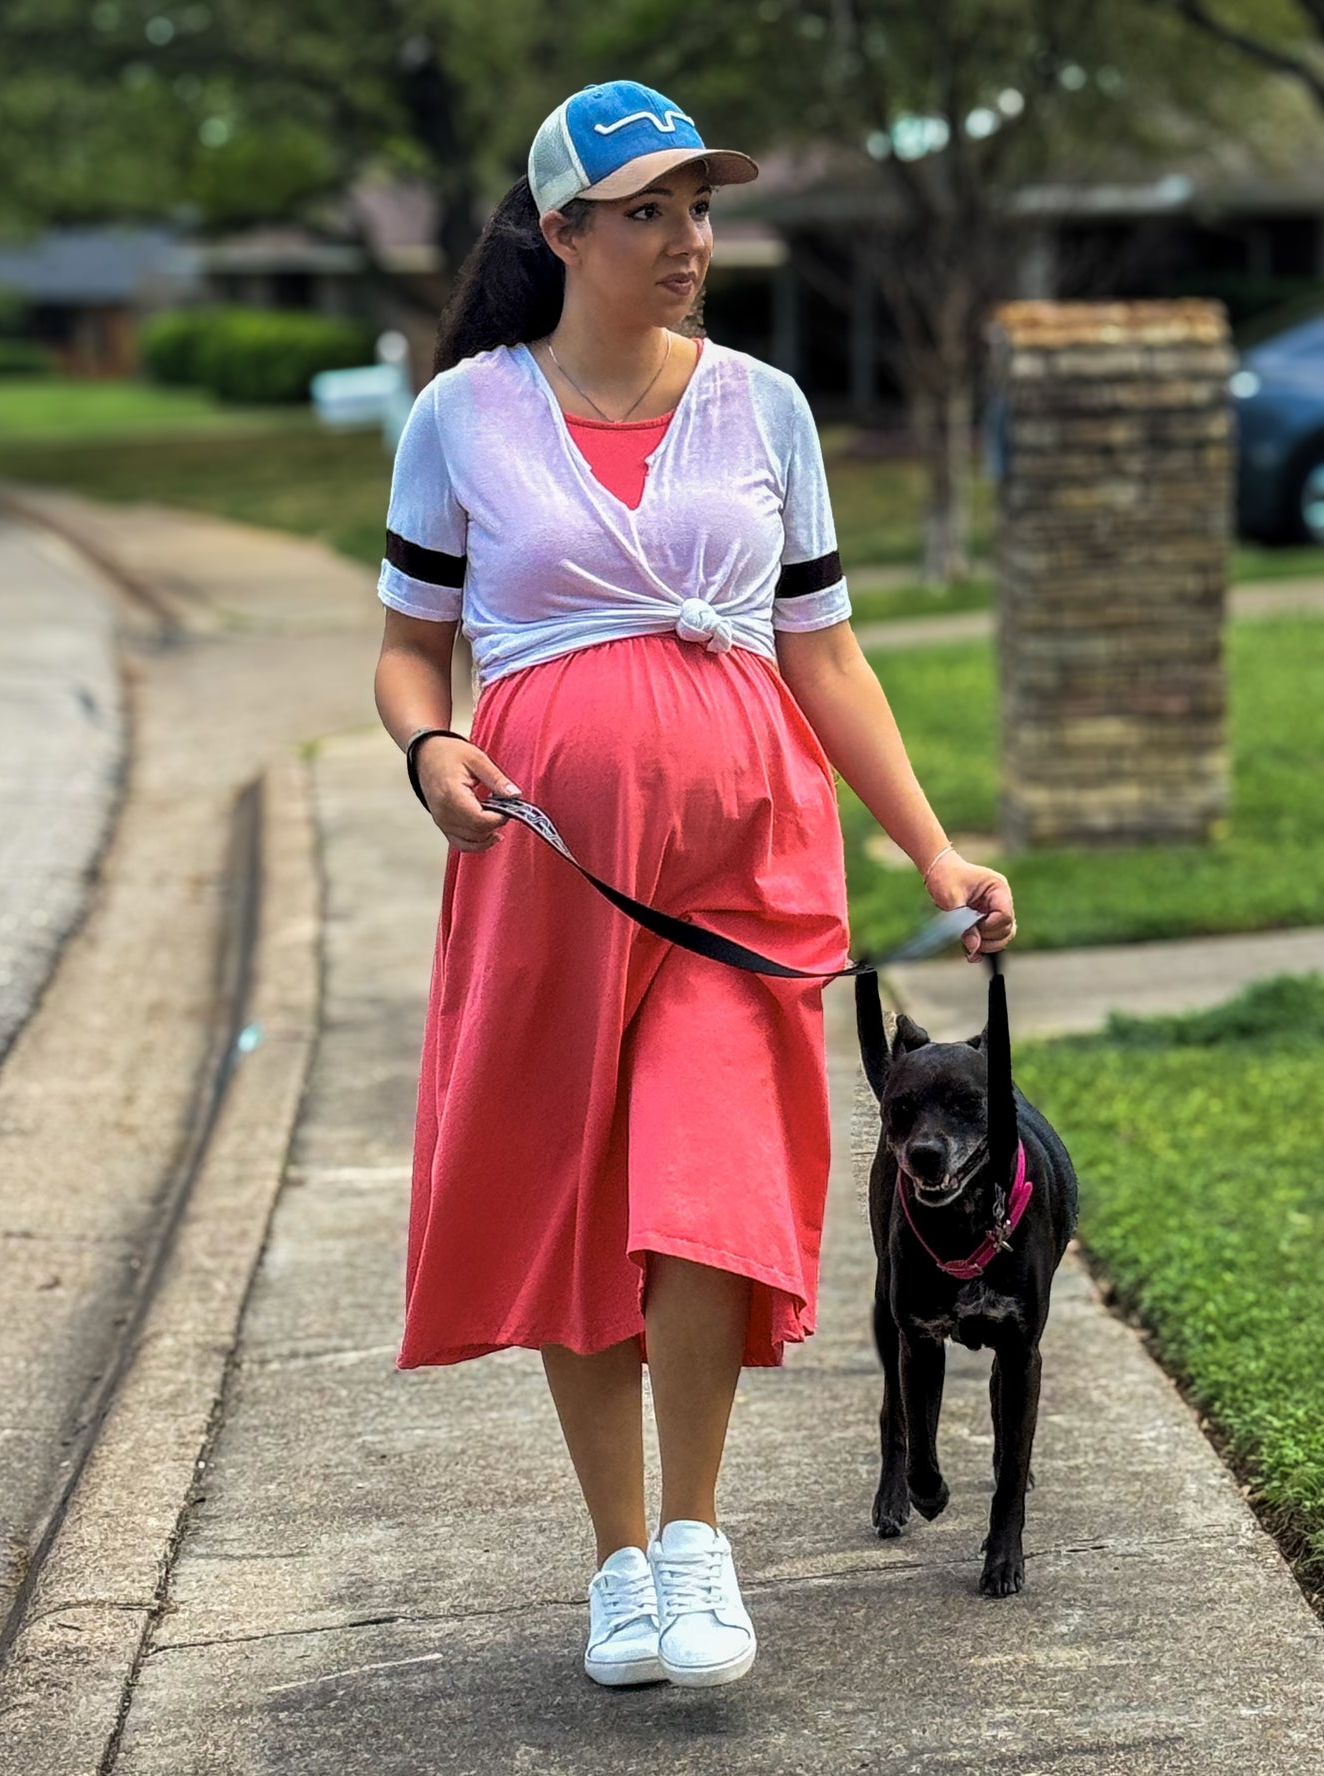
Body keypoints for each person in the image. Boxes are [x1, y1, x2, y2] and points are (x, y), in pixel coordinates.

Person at [371, 78, 1016, 1692]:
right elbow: (406, 648)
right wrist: (431, 746)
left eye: (699, 209)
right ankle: (615, 1567)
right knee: (576, 1192)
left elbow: (826, 652)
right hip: (552, 876)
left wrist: (931, 845)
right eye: (646, 212)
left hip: (745, 869)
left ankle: (695, 1541)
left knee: (705, 1182)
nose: (686, 240)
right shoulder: (460, 415)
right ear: (560, 229)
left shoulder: (763, 406)